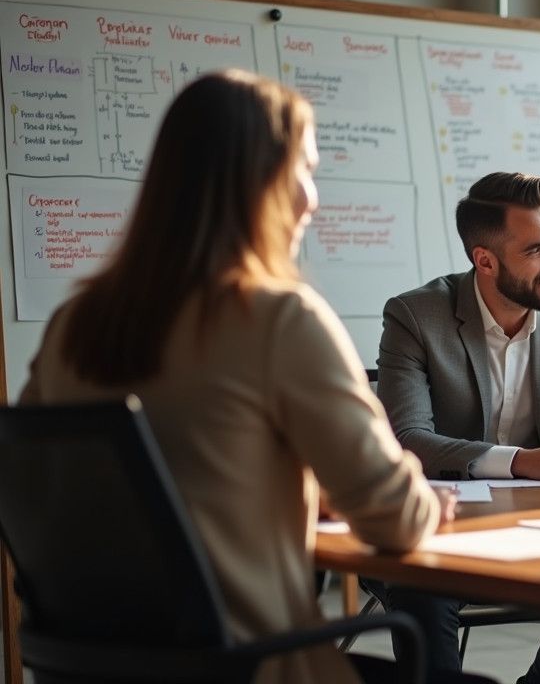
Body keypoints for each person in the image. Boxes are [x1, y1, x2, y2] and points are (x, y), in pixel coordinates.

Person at [18, 70, 450, 683]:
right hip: (251, 667)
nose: (312, 197)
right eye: (304, 169)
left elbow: (64, 493)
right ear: (260, 182)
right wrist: (428, 499)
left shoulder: (72, 323)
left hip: (100, 669)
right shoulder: (277, 317)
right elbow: (393, 518)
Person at [371, 171, 540, 682]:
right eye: (537, 250)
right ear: (486, 261)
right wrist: (520, 461)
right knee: (423, 584)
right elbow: (407, 440)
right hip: (441, 523)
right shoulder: (415, 315)